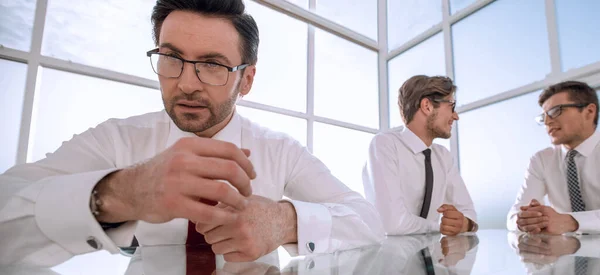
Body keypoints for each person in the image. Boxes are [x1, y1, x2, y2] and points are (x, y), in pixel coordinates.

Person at [0, 0, 384, 266]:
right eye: (171, 59)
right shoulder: (118, 139)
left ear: (246, 80)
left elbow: (368, 221)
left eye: (213, 65)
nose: (185, 84)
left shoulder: (281, 151)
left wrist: (286, 221)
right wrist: (120, 192)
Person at [362, 75, 477, 236]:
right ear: (427, 106)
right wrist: (438, 227)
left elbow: (469, 213)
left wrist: (464, 223)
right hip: (389, 258)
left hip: (431, 257)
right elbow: (393, 223)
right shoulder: (384, 144)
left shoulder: (443, 156)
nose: (455, 116)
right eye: (451, 105)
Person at [507, 80, 600, 235]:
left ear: (589, 112)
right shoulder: (542, 159)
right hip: (567, 253)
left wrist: (571, 222)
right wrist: (526, 221)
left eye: (556, 111)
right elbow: (514, 216)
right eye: (544, 117)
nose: (548, 122)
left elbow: (565, 222)